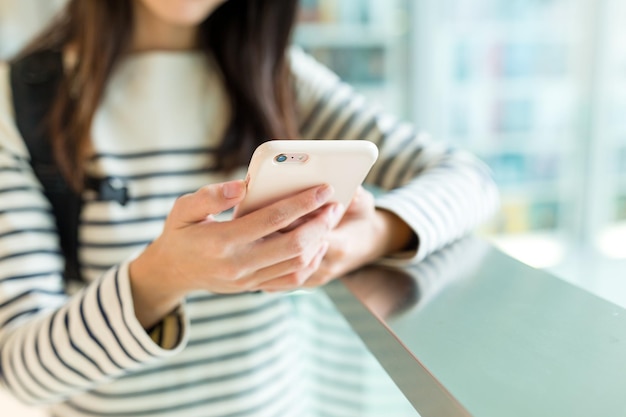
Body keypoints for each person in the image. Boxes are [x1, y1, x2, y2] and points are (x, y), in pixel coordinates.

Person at [0, 0, 499, 415]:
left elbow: (470, 179)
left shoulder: (279, 77)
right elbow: (22, 373)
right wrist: (163, 276)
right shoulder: (21, 100)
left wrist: (367, 239)